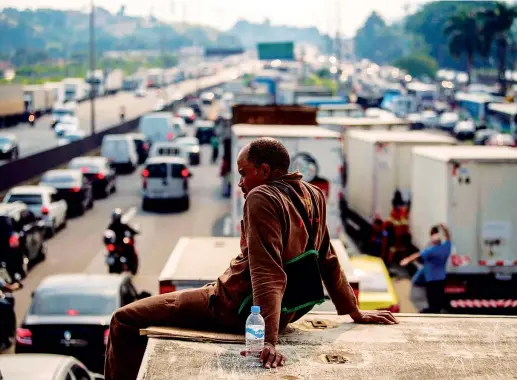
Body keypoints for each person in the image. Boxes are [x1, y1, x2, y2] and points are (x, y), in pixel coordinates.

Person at [104, 138, 398, 380]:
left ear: (265, 171)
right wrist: (354, 311)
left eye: (244, 173)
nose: (241, 183)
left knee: (123, 320)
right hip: (287, 312)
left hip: (233, 308)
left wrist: (267, 340)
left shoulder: (263, 198)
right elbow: (328, 258)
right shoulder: (313, 195)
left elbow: (268, 273)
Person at [400, 223, 452, 313]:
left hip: (431, 279)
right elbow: (448, 237)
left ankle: (430, 313)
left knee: (432, 300)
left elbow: (418, 255)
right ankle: (437, 312)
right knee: (438, 300)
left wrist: (407, 260)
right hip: (441, 278)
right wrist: (444, 228)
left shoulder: (431, 250)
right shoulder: (446, 248)